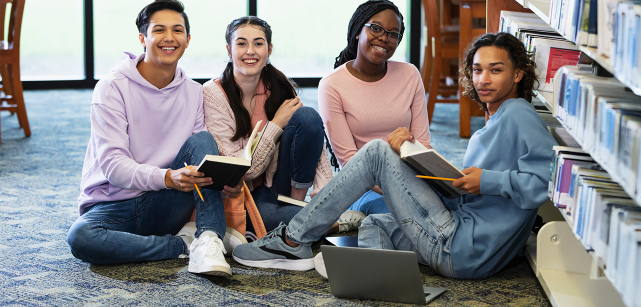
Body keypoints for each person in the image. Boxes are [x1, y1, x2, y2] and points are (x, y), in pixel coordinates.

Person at [231, 32, 558, 279]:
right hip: (464, 240)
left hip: (459, 245)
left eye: (495, 70)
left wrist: (486, 179)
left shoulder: (518, 113)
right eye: (477, 70)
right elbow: (471, 191)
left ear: (517, 75)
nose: (483, 79)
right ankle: (376, 279)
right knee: (376, 223)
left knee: (376, 153)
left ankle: (292, 240)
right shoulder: (497, 118)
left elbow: (547, 183)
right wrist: (415, 155)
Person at [67, 0, 235, 277]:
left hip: (166, 201)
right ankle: (181, 245)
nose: (170, 38)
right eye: (159, 30)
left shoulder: (193, 92)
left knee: (204, 141)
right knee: (82, 238)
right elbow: (113, 166)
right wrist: (167, 177)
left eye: (177, 30)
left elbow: (198, 153)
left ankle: (208, 240)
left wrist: (223, 180)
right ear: (143, 38)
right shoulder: (111, 88)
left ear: (187, 39)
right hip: (114, 205)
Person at [202, 16, 334, 238]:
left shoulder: (279, 86)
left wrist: (327, 199)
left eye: (258, 43)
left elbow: (314, 142)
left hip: (279, 187)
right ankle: (304, 220)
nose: (250, 51)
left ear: (269, 49)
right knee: (296, 220)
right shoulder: (214, 94)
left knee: (308, 116)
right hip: (242, 195)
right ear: (229, 50)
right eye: (241, 43)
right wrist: (276, 124)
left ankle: (297, 207)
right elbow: (242, 171)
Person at [319, 0, 432, 227]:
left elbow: (423, 145)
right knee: (408, 217)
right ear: (358, 30)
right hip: (362, 187)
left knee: (452, 203)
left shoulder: (410, 74)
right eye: (376, 28)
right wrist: (401, 190)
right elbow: (349, 162)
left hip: (409, 177)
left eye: (393, 34)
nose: (384, 38)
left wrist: (421, 185)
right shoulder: (332, 85)